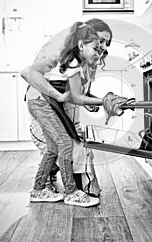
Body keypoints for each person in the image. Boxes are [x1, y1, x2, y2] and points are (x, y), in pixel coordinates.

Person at [21, 21, 125, 208]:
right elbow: (29, 73)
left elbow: (78, 95)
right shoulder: (65, 55)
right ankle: (69, 191)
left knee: (59, 148)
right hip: (43, 105)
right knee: (64, 145)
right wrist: (62, 96)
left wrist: (94, 101)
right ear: (83, 41)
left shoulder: (87, 60)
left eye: (105, 44)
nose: (102, 47)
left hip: (53, 107)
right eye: (99, 42)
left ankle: (39, 189)